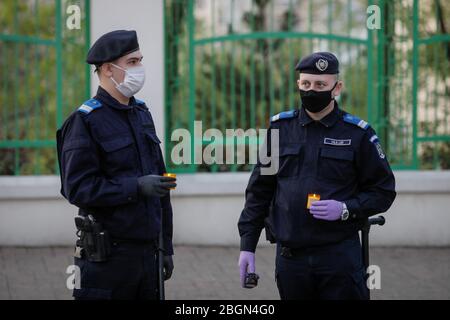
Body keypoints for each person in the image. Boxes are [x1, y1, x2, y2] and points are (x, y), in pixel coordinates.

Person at [237, 52, 396, 300]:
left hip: (339, 258)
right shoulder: (280, 129)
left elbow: (383, 191)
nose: (312, 91)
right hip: (291, 261)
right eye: (306, 84)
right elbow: (259, 191)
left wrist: (346, 208)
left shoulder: (358, 134)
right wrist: (247, 246)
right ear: (298, 84)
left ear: (336, 87)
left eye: (320, 85)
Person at [56, 30, 176, 300]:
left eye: (140, 61)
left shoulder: (141, 113)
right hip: (107, 261)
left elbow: (161, 189)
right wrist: (134, 187)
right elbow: (77, 188)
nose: (140, 68)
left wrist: (166, 247)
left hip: (148, 256)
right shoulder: (84, 121)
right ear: (109, 69)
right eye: (133, 62)